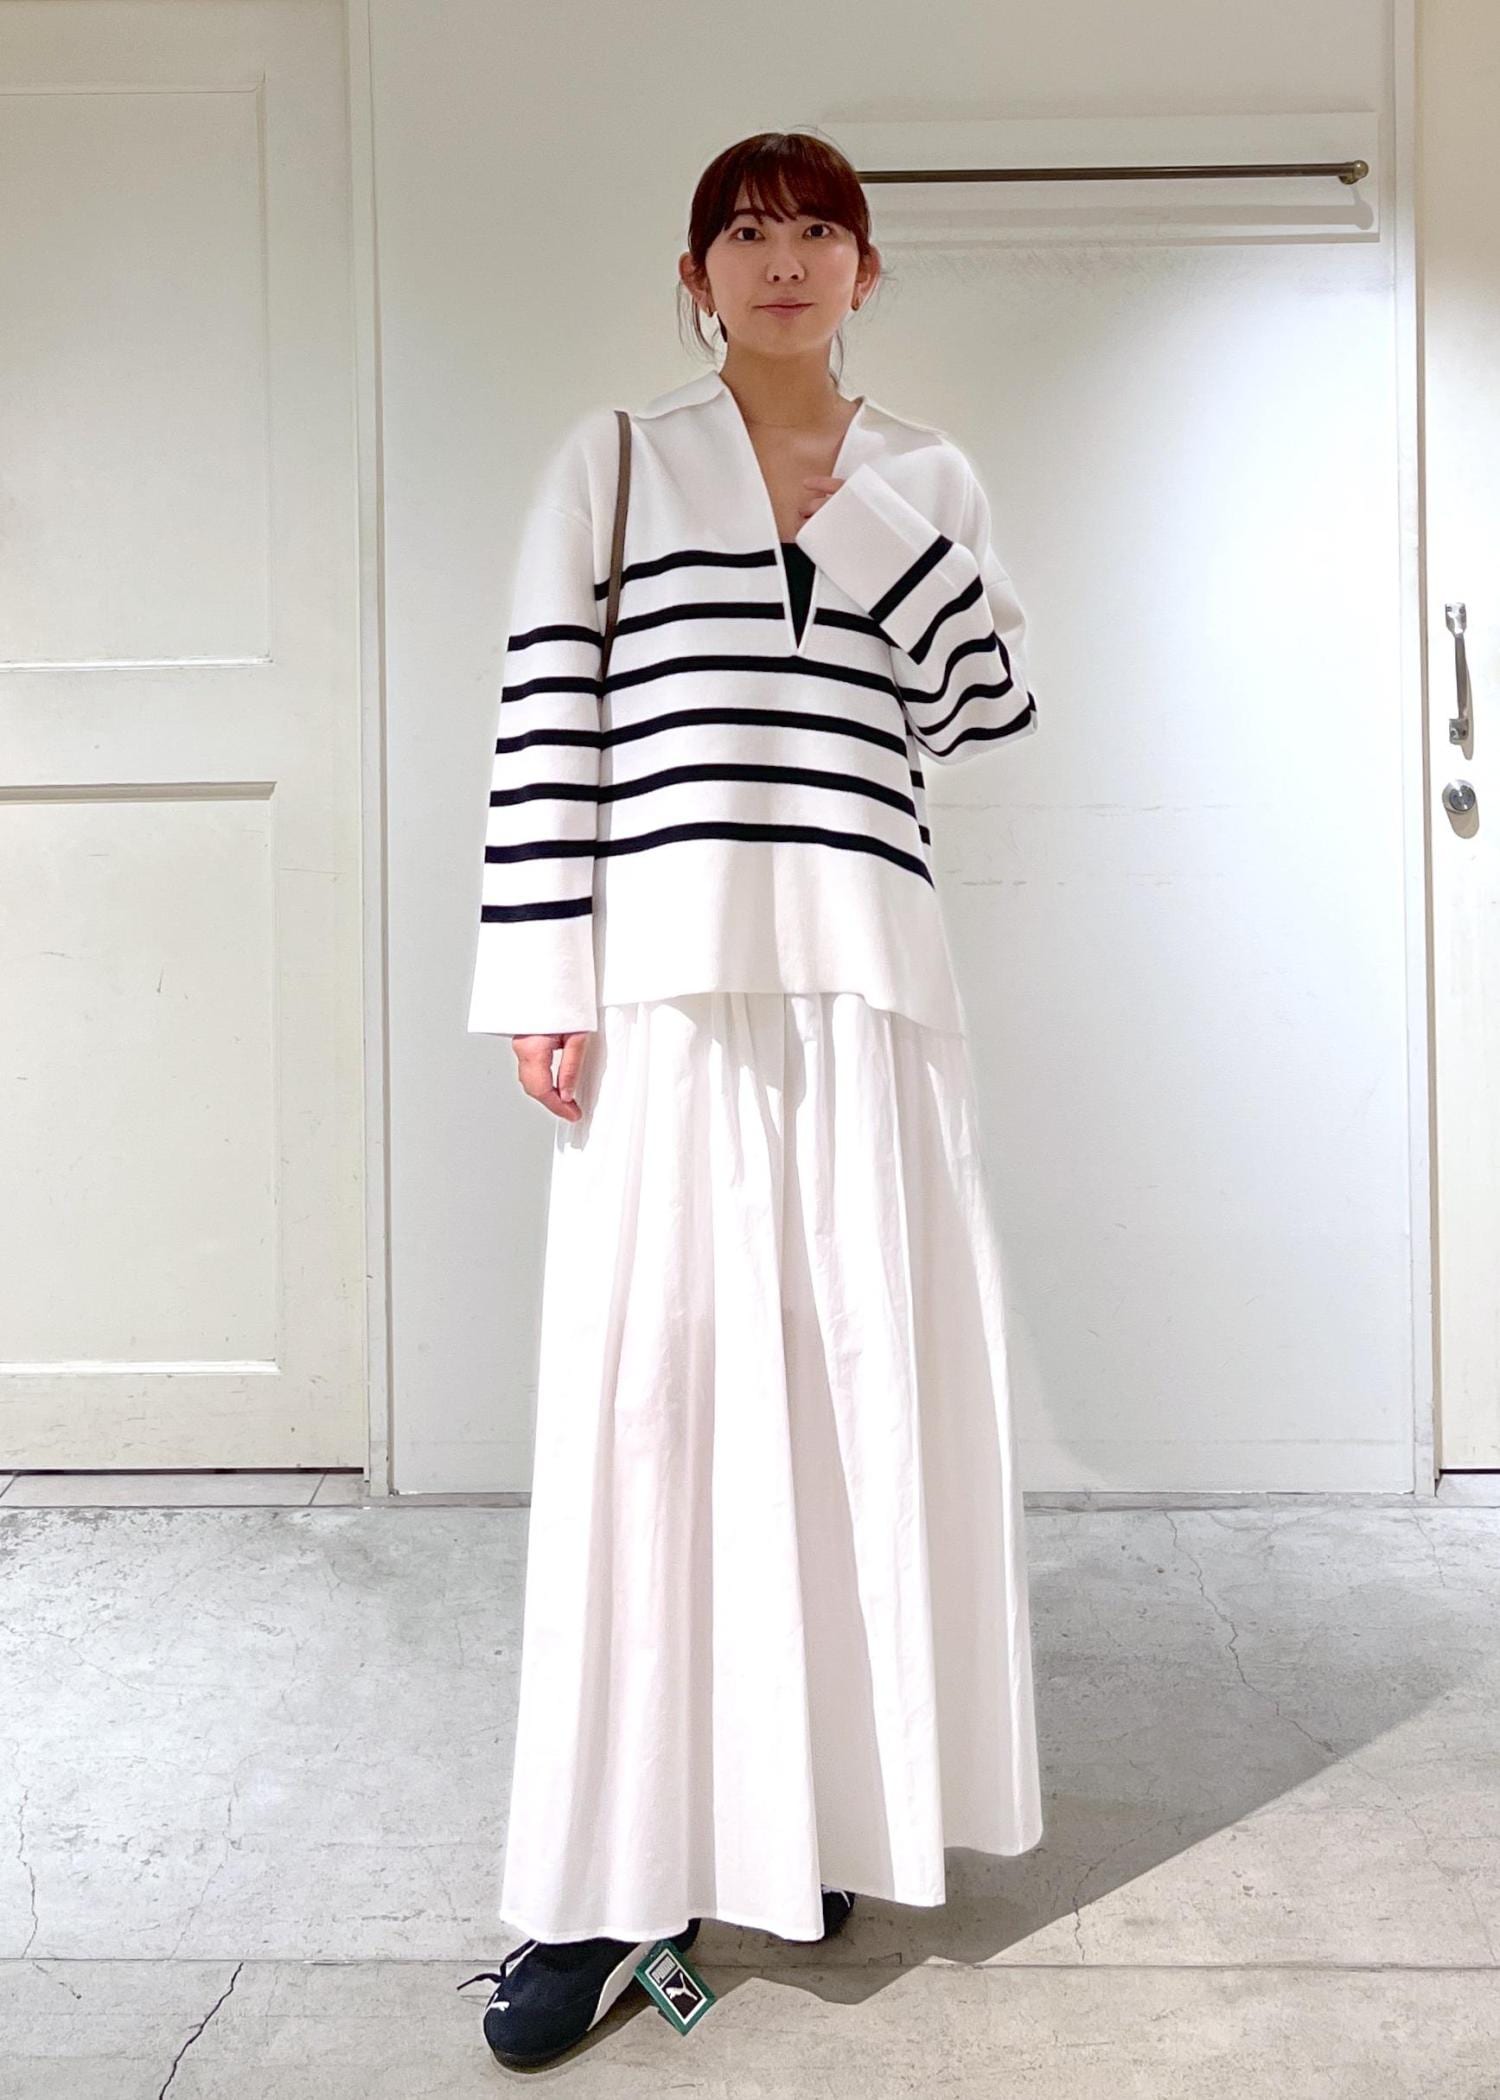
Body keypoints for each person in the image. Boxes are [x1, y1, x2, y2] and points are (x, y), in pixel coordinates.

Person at [457, 128, 1045, 2069]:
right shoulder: (617, 461)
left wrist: (855, 520)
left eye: (816, 231)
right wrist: (542, 976)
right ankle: (599, 1888)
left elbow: (981, 709)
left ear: (867, 269)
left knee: (852, 1407)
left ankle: (816, 1826)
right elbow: (545, 718)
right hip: (666, 995)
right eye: (745, 230)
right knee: (646, 1420)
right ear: (695, 272)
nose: (781, 258)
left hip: (869, 996)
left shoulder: (928, 474)